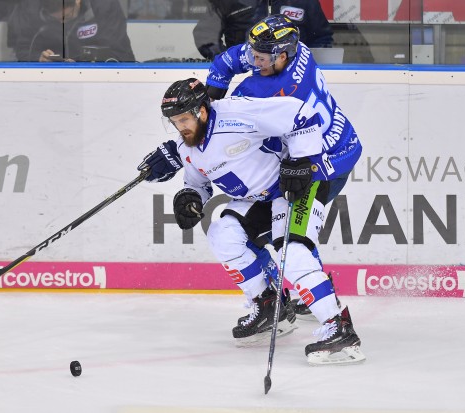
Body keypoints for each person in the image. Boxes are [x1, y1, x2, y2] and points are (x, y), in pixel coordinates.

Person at [143, 15, 362, 318]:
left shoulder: (269, 91)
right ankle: (281, 297)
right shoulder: (295, 52)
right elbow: (224, 63)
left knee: (292, 239)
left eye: (261, 57)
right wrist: (210, 96)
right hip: (329, 139)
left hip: (325, 159)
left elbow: (223, 130)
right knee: (256, 234)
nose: (254, 59)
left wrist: (192, 130)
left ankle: (326, 304)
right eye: (255, 53)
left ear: (282, 55)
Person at [142, 77, 365, 365]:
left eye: (184, 118)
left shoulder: (237, 114)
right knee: (222, 234)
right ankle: (270, 305)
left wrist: (301, 161)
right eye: (174, 121)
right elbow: (198, 183)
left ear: (202, 111)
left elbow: (303, 114)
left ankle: (340, 329)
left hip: (296, 186)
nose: (180, 126)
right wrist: (190, 197)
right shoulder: (188, 147)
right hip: (261, 198)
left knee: (292, 252)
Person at [193, 0, 333, 61]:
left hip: (293, 77)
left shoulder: (304, 1)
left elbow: (322, 38)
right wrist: (231, 61)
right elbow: (204, 36)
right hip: (245, 76)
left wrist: (303, 64)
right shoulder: (230, 1)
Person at [7, 0, 135, 62]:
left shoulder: (104, 6)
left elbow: (121, 54)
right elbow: (23, 50)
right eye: (56, 19)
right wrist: (38, 58)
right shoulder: (32, 8)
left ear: (77, 1)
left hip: (100, 79)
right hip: (52, 82)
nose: (63, 23)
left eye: (67, 17)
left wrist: (81, 63)